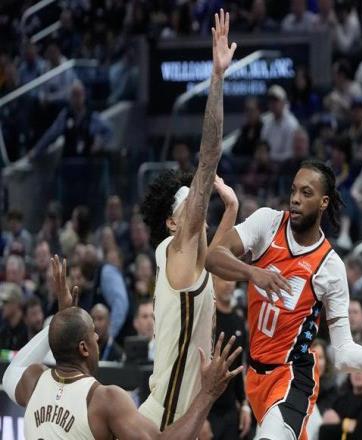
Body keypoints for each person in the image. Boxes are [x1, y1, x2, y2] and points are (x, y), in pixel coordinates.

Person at [206, 160, 362, 440]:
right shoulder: (268, 223)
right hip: (256, 376)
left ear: (324, 202)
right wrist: (253, 272)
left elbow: (344, 354)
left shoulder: (330, 267)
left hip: (293, 377)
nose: (296, 199)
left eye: (306, 193)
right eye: (293, 190)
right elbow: (213, 257)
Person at [2, 256, 244, 440]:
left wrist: (61, 319)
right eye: (93, 333)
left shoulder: (34, 381)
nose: (97, 337)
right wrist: (207, 393)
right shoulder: (105, 400)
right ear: (84, 348)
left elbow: (12, 370)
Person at [139, 10, 238, 430]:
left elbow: (220, 263)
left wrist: (231, 209)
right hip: (163, 422)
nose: (197, 205)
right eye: (188, 203)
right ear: (172, 224)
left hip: (183, 417)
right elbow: (209, 156)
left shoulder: (193, 260)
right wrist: (217, 78)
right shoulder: (178, 249)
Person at [208, 276, 251, 440]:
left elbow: (240, 367)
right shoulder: (206, 319)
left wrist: (245, 405)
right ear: (213, 280)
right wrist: (200, 418)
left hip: (231, 409)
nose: (228, 283)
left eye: (231, 278)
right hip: (207, 409)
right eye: (223, 278)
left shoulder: (239, 321)